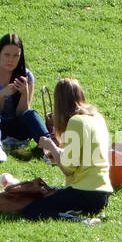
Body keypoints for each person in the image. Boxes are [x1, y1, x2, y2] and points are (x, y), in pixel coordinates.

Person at [24, 78, 113, 220]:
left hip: (84, 192)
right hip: (102, 194)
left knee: (32, 209)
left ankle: (70, 218)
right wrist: (58, 152)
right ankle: (73, 212)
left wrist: (51, 147)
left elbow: (68, 168)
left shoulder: (75, 121)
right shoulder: (97, 117)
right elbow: (82, 157)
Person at [0, 33, 50, 164]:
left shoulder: (26, 76)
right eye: (7, 55)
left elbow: (22, 113)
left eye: (16, 56)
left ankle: (50, 148)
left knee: (31, 114)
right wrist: (2, 94)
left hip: (14, 125)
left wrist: (25, 93)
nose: (11, 60)